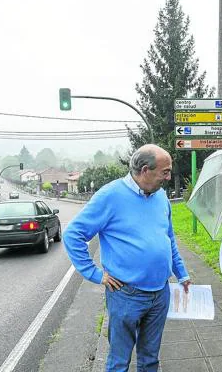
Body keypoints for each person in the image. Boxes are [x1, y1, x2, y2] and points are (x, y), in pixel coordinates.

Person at [63, 144, 191, 372]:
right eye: (165, 171)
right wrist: (95, 274)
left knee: (150, 360)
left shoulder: (160, 196)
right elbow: (73, 235)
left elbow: (168, 237)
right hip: (126, 295)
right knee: (119, 362)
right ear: (144, 170)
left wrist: (181, 273)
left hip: (160, 292)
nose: (169, 177)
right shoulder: (110, 195)